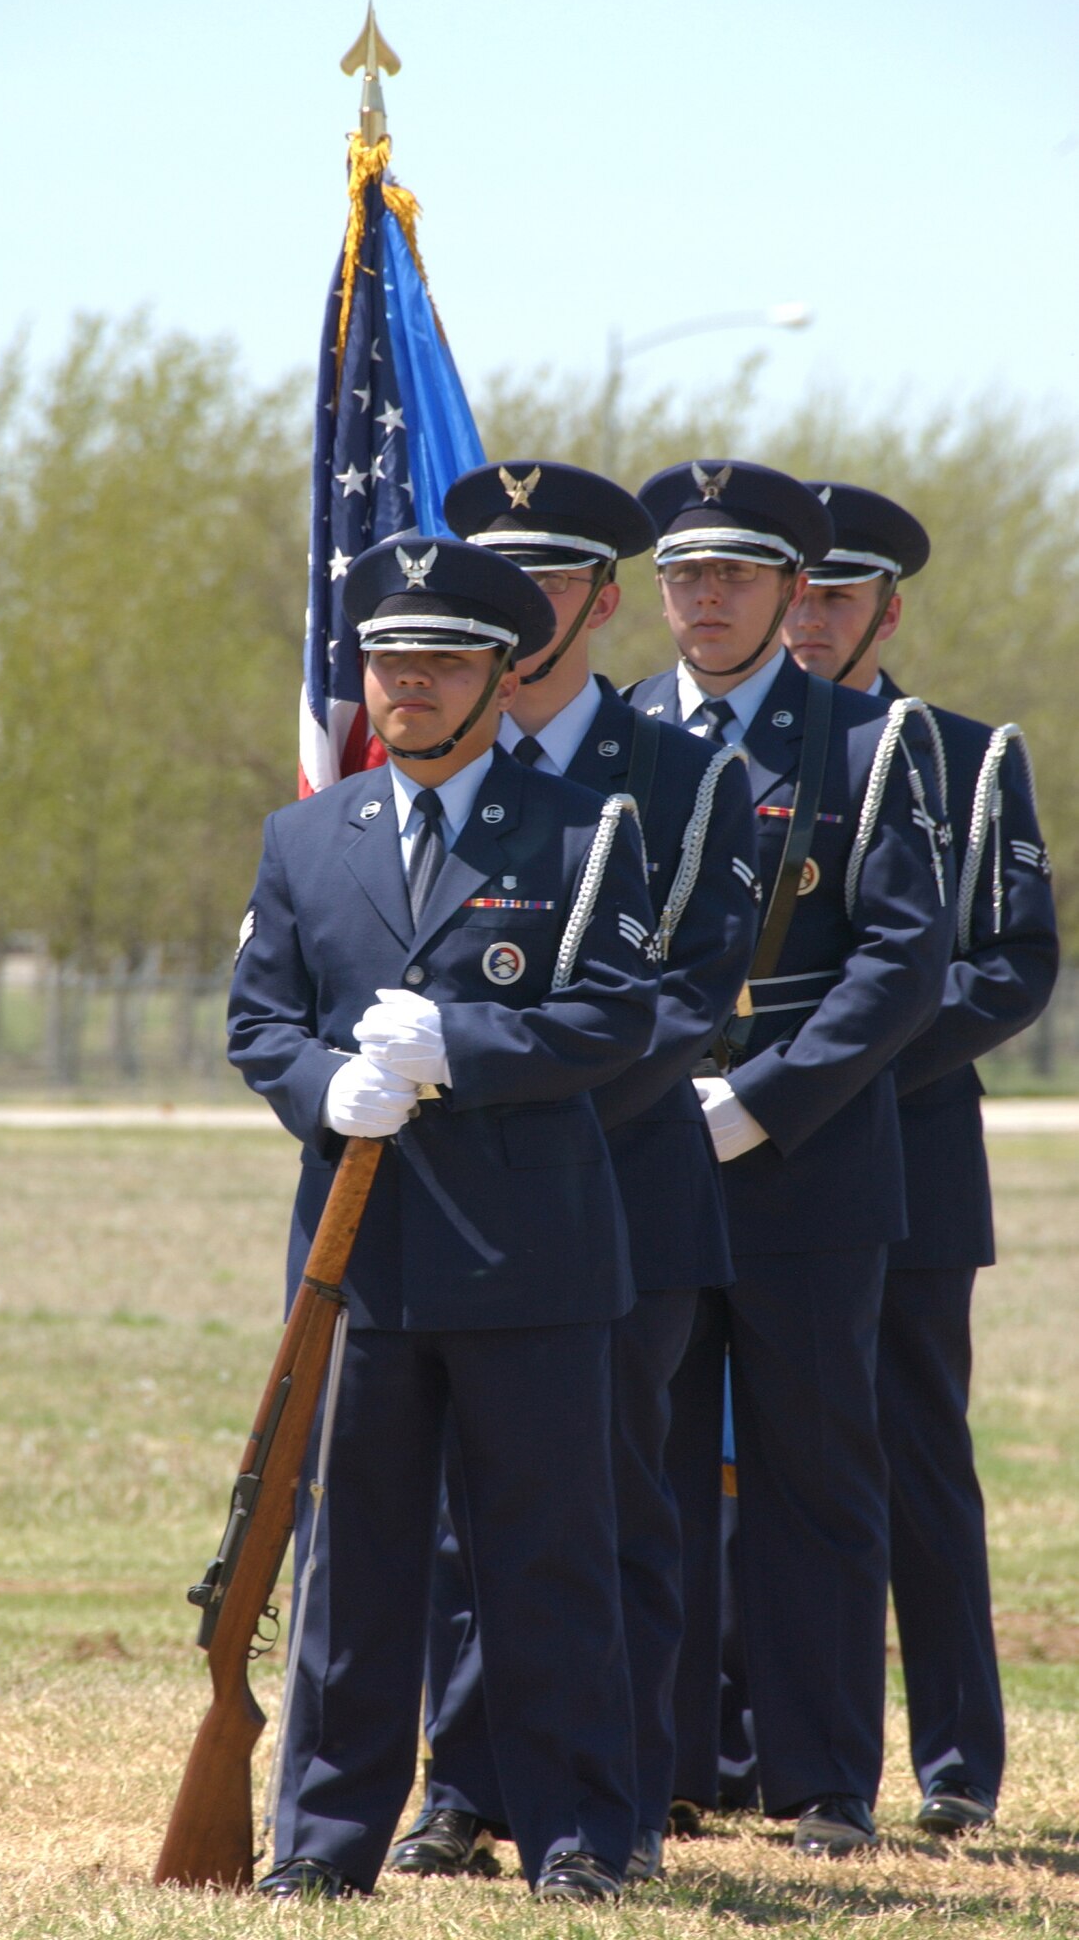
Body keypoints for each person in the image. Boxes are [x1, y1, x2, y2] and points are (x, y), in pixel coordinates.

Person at [229, 533, 662, 1904]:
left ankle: (579, 1836)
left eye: (438, 661)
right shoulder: (308, 836)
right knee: (351, 1565)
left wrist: (462, 1046)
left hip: (529, 1256)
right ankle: (322, 1842)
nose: (404, 683)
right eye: (385, 659)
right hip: (357, 1264)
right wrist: (325, 1086)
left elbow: (615, 1015)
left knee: (548, 1561)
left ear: (503, 672)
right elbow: (258, 1021)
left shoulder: (587, 830)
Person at [385, 460, 758, 1887]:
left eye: (550, 579)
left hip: (616, 1190)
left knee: (602, 1512)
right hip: (448, 1207)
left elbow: (679, 999)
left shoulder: (680, 773)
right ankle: (460, 1789)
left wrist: (511, 1102)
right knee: (451, 1523)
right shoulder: (431, 774)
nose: (519, 604)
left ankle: (617, 1799)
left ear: (606, 601)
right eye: (493, 580)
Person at [625, 458, 955, 1856]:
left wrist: (758, 1100)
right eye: (685, 576)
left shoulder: (871, 746)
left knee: (817, 1477)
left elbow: (905, 959)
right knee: (644, 1472)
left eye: (738, 575)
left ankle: (824, 1783)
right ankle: (661, 1764)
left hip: (807, 1164)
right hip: (644, 1152)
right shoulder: (616, 733)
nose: (708, 599)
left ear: (789, 592)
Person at [782, 481, 1058, 1832]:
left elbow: (1012, 968)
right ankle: (739, 1748)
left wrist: (847, 1058)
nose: (811, 619)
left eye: (840, 597)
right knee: (744, 1466)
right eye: (800, 591)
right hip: (751, 1166)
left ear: (887, 612)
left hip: (907, 1164)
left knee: (913, 1460)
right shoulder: (717, 757)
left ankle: (956, 1763)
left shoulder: (963, 756)